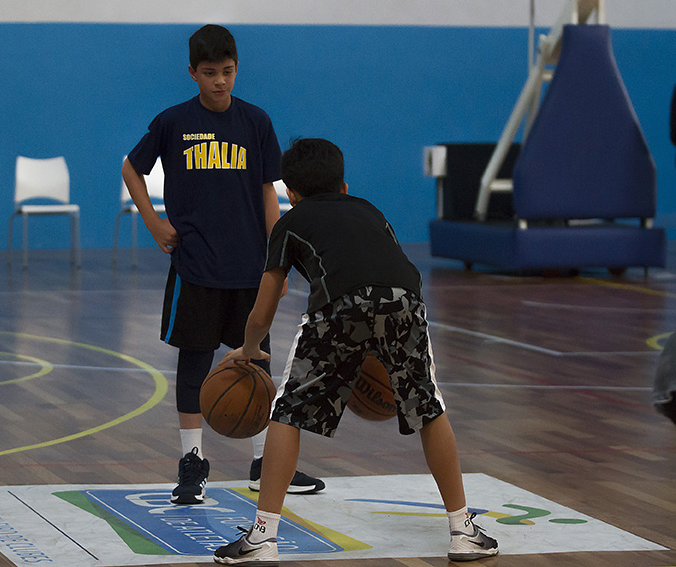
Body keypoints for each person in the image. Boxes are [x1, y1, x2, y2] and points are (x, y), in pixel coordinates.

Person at [214, 138, 499, 563]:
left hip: (339, 305)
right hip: (405, 300)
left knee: (288, 412)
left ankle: (262, 537)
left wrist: (249, 348)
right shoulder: (370, 210)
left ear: (290, 193)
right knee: (428, 408)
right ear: (344, 186)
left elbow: (264, 306)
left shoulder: (289, 223)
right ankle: (463, 531)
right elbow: (386, 268)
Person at [121, 24, 324, 505]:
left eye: (227, 72)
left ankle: (263, 462)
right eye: (210, 72)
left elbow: (268, 192)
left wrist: (279, 254)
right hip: (195, 265)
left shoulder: (255, 121)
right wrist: (154, 222)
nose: (220, 81)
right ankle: (192, 462)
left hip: (250, 267)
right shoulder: (173, 122)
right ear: (192, 72)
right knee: (194, 363)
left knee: (256, 361)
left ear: (237, 70)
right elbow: (131, 168)